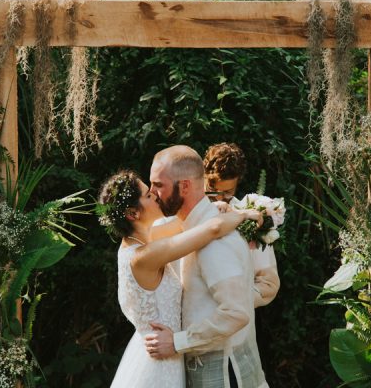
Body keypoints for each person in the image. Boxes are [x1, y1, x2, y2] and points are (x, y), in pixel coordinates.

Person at [98, 170, 262, 388]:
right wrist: (242, 215)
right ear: (132, 213)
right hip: (160, 361)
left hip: (165, 352)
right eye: (148, 195)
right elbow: (211, 229)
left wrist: (213, 208)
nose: (155, 195)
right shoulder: (143, 257)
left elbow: (186, 223)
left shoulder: (139, 244)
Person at [146, 145, 269, 388]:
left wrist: (177, 342)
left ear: (184, 186)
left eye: (158, 185)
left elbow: (236, 313)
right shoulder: (199, 228)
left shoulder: (215, 243)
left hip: (225, 374)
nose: (152, 193)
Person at [203, 142, 280, 308]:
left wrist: (234, 301)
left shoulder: (252, 219)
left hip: (235, 318)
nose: (219, 198)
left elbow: (268, 284)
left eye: (227, 193)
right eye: (212, 189)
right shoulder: (186, 210)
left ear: (238, 183)